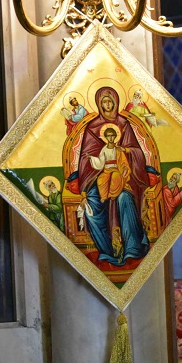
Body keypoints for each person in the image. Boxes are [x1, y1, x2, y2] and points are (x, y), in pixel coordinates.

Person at [66, 87, 152, 265]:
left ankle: (132, 248)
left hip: (125, 177)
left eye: (110, 101)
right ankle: (107, 250)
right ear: (99, 103)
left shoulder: (124, 124)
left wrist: (125, 151)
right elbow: (85, 159)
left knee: (124, 198)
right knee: (91, 205)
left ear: (115, 102)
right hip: (99, 178)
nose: (107, 105)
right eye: (104, 102)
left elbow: (137, 153)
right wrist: (94, 164)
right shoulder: (92, 128)